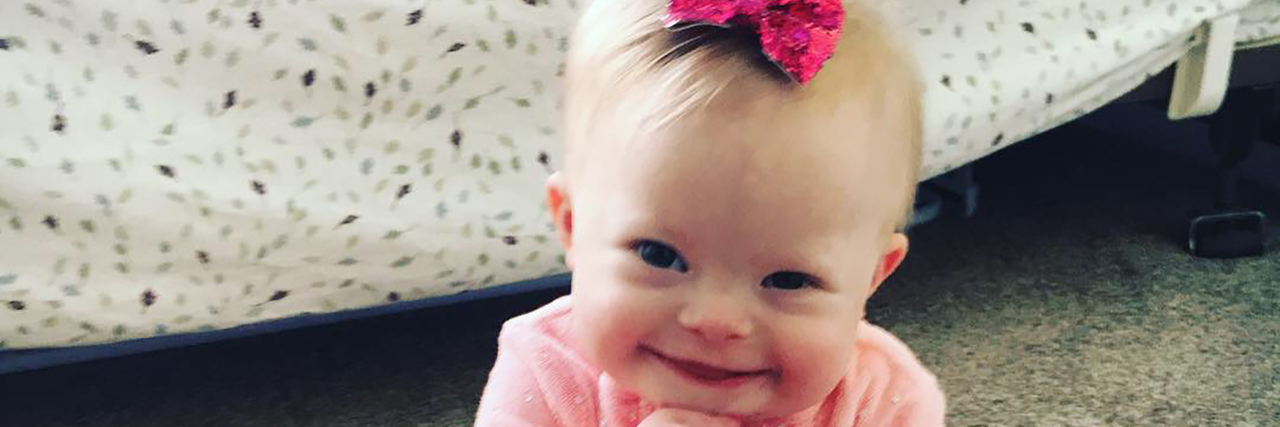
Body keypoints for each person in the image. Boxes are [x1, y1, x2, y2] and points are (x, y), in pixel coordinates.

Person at [475, 0, 944, 425]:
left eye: (788, 280)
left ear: (871, 277)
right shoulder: (544, 369)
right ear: (573, 227)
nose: (715, 320)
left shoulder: (885, 397)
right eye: (659, 255)